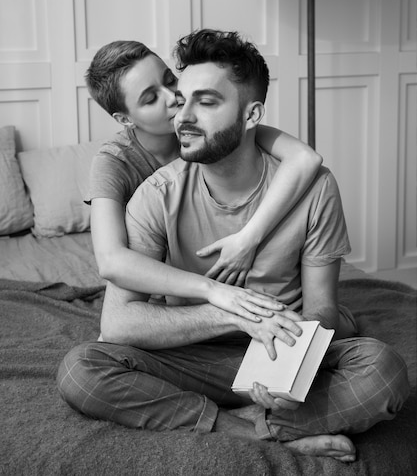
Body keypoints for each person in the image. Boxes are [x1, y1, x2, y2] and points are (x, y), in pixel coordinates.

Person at [58, 30, 409, 462]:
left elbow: (321, 308)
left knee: (383, 371)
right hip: (195, 352)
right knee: (82, 368)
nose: (180, 113)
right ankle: (245, 428)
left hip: (284, 342)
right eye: (178, 98)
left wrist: (284, 369)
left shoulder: (314, 187)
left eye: (205, 102)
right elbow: (117, 318)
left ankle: (257, 419)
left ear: (250, 115)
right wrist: (234, 312)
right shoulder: (152, 192)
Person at [84, 39, 324, 321]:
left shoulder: (212, 130)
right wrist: (211, 290)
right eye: (150, 98)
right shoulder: (113, 162)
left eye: (170, 80)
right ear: (125, 119)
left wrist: (248, 239)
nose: (173, 96)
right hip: (156, 286)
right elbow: (111, 261)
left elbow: (305, 159)